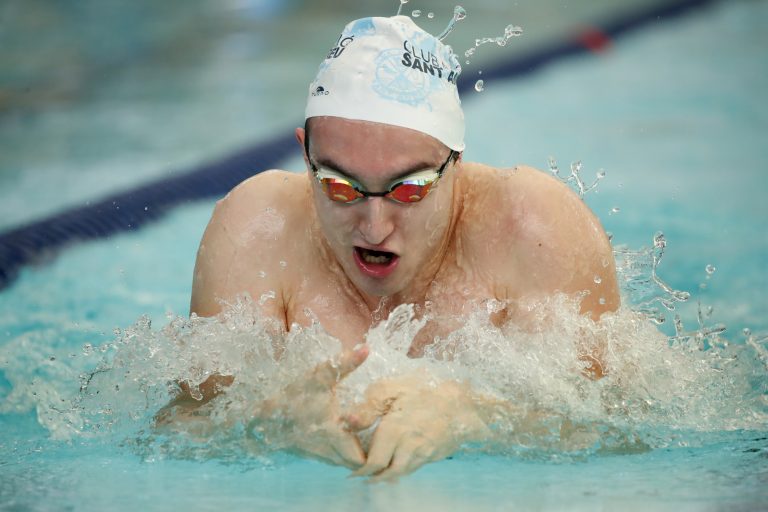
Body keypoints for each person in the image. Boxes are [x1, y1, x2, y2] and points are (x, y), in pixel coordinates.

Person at [176, 15, 619, 480]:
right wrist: (265, 424)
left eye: (409, 189)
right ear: (305, 155)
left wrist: (477, 415)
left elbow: (618, 426)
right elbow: (177, 426)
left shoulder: (533, 228)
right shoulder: (259, 228)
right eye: (338, 185)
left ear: (457, 163)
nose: (373, 226)